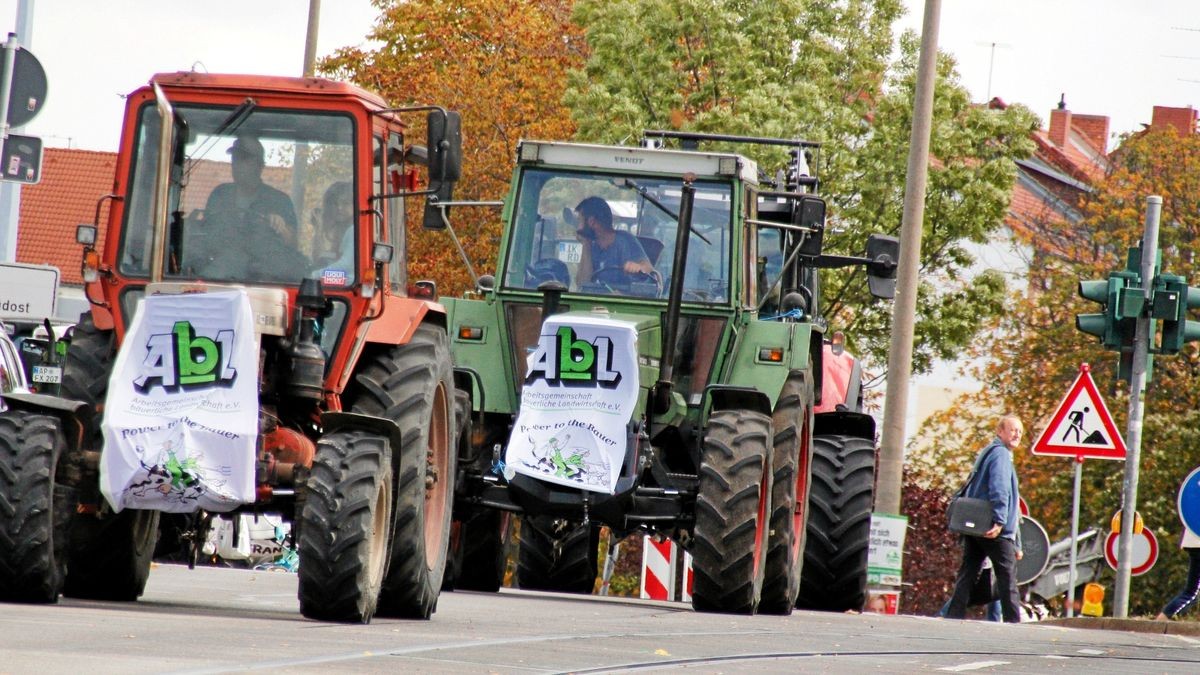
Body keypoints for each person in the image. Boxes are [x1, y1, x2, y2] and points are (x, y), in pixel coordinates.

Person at [945, 414, 1025, 623]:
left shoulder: (988, 452)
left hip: (977, 525)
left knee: (968, 572)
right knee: (1007, 579)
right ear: (1000, 431)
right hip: (993, 528)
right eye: (1012, 430)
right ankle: (1013, 623)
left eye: (1020, 431)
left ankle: (953, 617)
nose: (1017, 434)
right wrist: (999, 521)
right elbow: (1000, 489)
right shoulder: (1000, 455)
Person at [199, 134, 306, 280]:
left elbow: (293, 244)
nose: (237, 165)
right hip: (221, 276)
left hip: (265, 279)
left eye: (245, 159)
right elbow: (204, 235)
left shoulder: (279, 200)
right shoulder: (220, 194)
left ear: (260, 166)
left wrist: (281, 227)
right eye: (235, 159)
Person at [574, 196, 655, 288]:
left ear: (592, 222)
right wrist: (586, 244)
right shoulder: (591, 246)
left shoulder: (625, 241)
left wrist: (638, 267)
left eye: (580, 221)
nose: (578, 229)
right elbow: (582, 284)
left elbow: (649, 269)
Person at [1155, 523, 1200, 620]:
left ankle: (1161, 620)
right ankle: (1161, 620)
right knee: (1191, 592)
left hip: (1193, 539)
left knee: (1190, 591)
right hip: (1196, 541)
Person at [314, 181, 355, 272]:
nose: (339, 207)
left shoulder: (354, 231)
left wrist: (314, 275)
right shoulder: (337, 230)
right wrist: (318, 229)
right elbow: (317, 259)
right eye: (335, 204)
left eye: (345, 203)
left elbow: (345, 264)